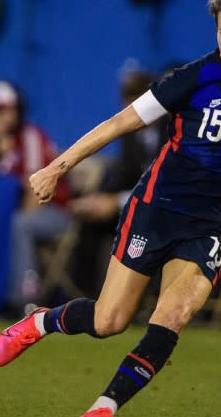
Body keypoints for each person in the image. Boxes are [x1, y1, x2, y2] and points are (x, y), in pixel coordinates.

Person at [0, 0, 221, 417]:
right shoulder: (192, 78)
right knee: (109, 321)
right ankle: (39, 324)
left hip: (209, 223)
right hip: (156, 208)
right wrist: (56, 168)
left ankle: (102, 408)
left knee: (174, 313)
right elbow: (119, 123)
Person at [0, 78, 70, 313]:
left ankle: (25, 298)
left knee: (19, 225)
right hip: (12, 215)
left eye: (4, 110)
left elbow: (35, 194)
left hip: (55, 212)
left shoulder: (30, 137)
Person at [69, 70, 166, 296]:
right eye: (128, 105)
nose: (133, 113)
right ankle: (85, 299)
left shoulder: (175, 130)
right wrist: (98, 200)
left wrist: (114, 202)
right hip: (136, 207)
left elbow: (165, 184)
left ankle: (142, 301)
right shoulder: (129, 135)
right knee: (91, 224)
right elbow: (124, 175)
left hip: (164, 210)